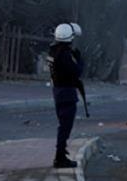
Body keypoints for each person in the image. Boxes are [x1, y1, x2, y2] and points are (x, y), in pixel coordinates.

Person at [48, 23, 83, 168]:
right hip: (67, 93)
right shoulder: (64, 55)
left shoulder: (53, 51)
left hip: (58, 92)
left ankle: (61, 154)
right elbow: (76, 72)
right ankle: (60, 158)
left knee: (63, 125)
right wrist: (79, 60)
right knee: (65, 127)